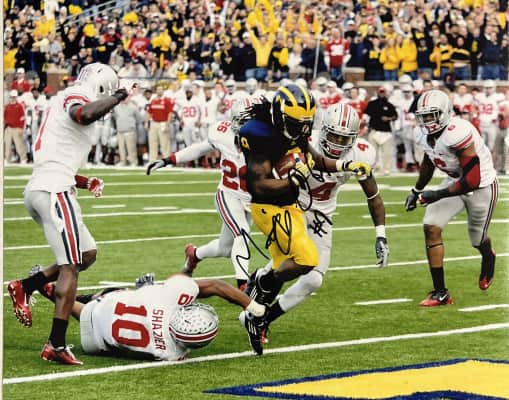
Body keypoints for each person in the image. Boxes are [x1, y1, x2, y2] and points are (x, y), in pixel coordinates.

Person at [7, 63, 129, 365]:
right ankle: (56, 344)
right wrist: (119, 96)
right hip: (54, 191)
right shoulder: (77, 95)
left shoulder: (64, 99)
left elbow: (57, 158)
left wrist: (85, 181)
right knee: (70, 266)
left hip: (48, 185)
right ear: (102, 86)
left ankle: (26, 286)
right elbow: (83, 114)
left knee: (86, 254)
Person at [237, 84, 371, 346]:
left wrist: (345, 164)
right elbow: (258, 185)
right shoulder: (262, 136)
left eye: (306, 124)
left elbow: (316, 159)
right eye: (296, 123)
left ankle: (260, 311)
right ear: (280, 117)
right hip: (271, 207)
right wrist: (293, 181)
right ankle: (260, 291)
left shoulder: (296, 130)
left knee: (303, 273)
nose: (302, 130)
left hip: (299, 210)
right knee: (304, 260)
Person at [259, 103, 388, 341]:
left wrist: (381, 235)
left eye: (344, 138)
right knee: (290, 259)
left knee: (314, 279)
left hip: (323, 215)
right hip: (293, 206)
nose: (337, 143)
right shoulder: (305, 141)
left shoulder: (362, 153)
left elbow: (373, 196)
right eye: (334, 135)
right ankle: (259, 298)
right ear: (323, 129)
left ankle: (266, 316)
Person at [33, 272, 267, 360]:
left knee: (119, 294)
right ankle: (58, 296)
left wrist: (254, 307)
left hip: (106, 306)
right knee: (105, 322)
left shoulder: (170, 298)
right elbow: (126, 351)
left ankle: (58, 294)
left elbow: (215, 285)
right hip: (94, 343)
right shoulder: (173, 353)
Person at [146, 99, 254, 290]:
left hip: (252, 200)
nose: (247, 126)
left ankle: (194, 254)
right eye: (243, 121)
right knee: (242, 234)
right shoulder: (222, 134)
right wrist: (168, 160)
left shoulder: (265, 139)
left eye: (251, 121)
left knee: (224, 249)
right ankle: (244, 288)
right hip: (228, 194)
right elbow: (199, 148)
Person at [404, 89, 498, 306]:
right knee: (431, 226)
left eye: (431, 115)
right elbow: (429, 161)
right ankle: (441, 293)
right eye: (423, 116)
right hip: (454, 180)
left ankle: (488, 256)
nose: (426, 121)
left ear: (445, 113)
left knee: (477, 239)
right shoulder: (422, 134)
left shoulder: (458, 132)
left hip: (481, 186)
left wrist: (436, 194)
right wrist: (416, 190)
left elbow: (471, 181)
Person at [364, 87, 398, 175]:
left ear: (385, 93)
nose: (382, 94)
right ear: (378, 93)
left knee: (386, 152)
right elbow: (366, 116)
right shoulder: (372, 104)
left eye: (383, 92)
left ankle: (386, 169)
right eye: (380, 92)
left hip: (386, 132)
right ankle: (372, 168)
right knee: (372, 152)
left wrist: (388, 118)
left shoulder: (389, 105)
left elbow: (395, 116)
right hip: (374, 130)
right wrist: (366, 127)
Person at [4, 90, 28, 164]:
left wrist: (21, 128)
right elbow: (4, 117)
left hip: (17, 128)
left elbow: (23, 118)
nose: (12, 98)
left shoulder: (19, 106)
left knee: (19, 145)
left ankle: (23, 159)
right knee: (7, 145)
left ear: (16, 97)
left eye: (14, 97)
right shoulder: (7, 106)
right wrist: (5, 126)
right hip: (8, 128)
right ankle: (7, 159)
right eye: (11, 97)